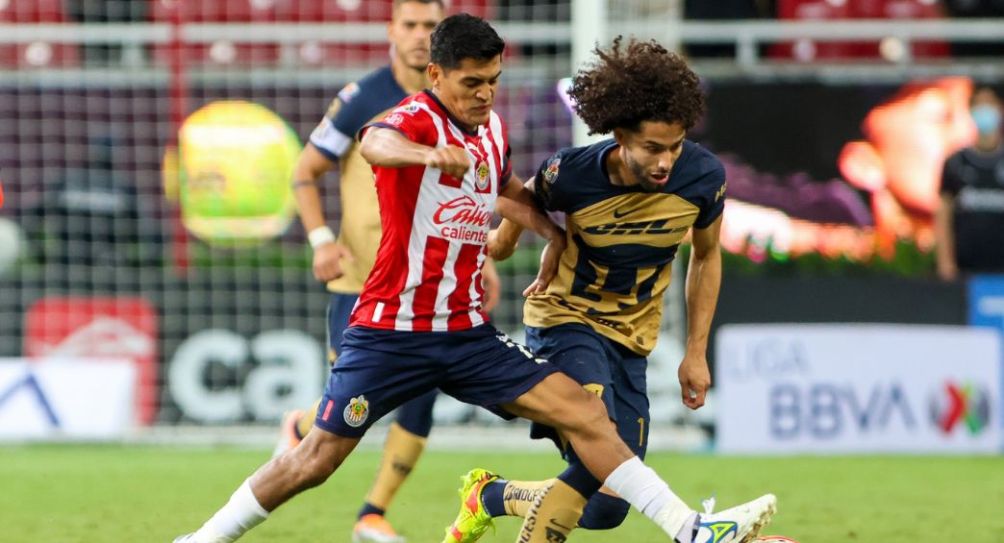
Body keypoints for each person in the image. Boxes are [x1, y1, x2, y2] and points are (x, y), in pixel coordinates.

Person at [173, 15, 774, 543]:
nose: (485, 94)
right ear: (435, 75)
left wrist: (549, 229)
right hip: (392, 331)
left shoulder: (490, 131)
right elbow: (376, 143)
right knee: (316, 459)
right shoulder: (412, 121)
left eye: (493, 80)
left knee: (585, 415)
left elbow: (508, 188)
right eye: (471, 83)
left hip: (466, 334)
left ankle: (690, 529)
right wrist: (426, 156)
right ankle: (203, 538)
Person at [441, 37, 766, 543]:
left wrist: (696, 352)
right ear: (619, 136)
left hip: (631, 338)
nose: (665, 162)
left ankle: (491, 496)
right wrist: (497, 250)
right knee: (598, 440)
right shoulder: (571, 172)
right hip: (565, 321)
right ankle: (692, 529)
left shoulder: (703, 179)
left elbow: (706, 255)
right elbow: (519, 201)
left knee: (608, 503)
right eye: (652, 149)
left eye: (675, 147)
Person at [278, 2, 499, 541]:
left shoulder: (463, 103)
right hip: (363, 282)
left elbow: (474, 188)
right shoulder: (364, 99)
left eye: (430, 26)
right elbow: (305, 172)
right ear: (391, 31)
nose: (421, 35)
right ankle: (300, 426)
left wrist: (484, 256)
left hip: (429, 286)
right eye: (411, 25)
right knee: (356, 404)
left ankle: (371, 515)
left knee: (420, 392)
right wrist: (321, 239)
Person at [936, 85, 1004, 280]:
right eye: (980, 104)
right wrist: (946, 262)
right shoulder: (956, 162)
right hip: (966, 269)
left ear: (1000, 109)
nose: (986, 110)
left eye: (990, 104)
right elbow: (943, 213)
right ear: (971, 111)